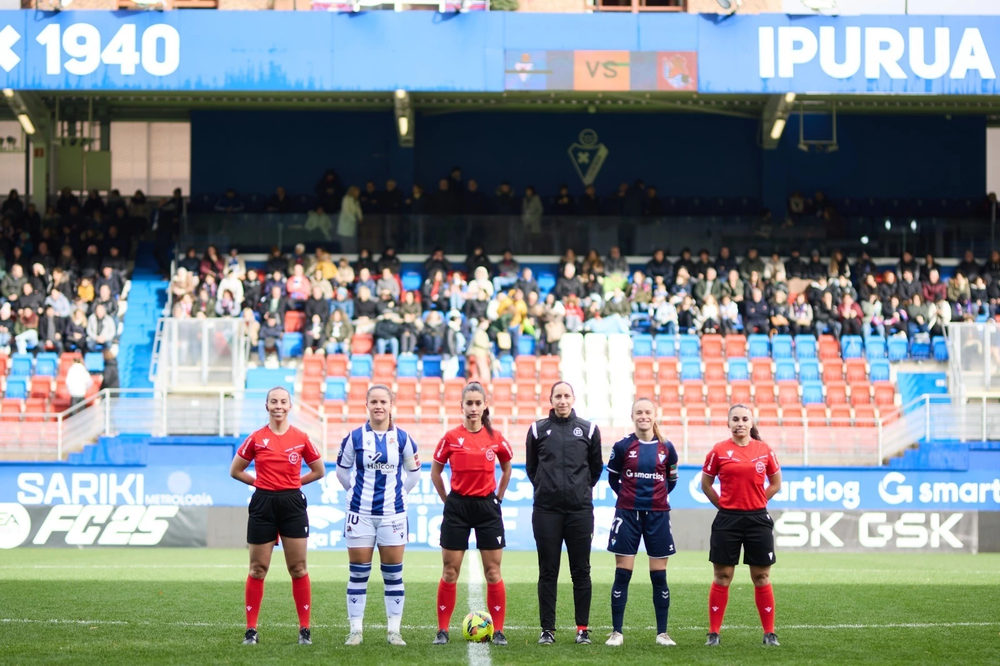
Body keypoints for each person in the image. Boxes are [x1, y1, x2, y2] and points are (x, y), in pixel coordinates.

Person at [229, 387, 326, 646]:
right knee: (258, 569)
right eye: (274, 401)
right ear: (267, 406)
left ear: (290, 406)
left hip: (292, 504)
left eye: (283, 401)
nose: (278, 406)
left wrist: (295, 484)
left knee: (298, 568)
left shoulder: (302, 437)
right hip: (263, 504)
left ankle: (304, 629)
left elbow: (318, 470)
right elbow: (236, 470)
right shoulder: (256, 438)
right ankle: (251, 630)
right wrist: (260, 483)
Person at [336, 385, 422, 647]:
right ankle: (355, 631)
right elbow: (342, 471)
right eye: (373, 401)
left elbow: (414, 473)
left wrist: (398, 494)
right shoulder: (354, 437)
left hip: (392, 515)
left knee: (393, 573)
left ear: (390, 405)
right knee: (358, 574)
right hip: (359, 514)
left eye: (383, 401)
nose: (378, 406)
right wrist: (355, 493)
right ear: (367, 405)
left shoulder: (404, 439)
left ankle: (394, 631)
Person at [430, 382, 513, 646]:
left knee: (493, 571)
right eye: (469, 403)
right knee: (450, 571)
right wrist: (448, 501)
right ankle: (442, 630)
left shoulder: (496, 437)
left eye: (478, 403)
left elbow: (507, 468)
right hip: (458, 508)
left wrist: (497, 498)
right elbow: (435, 472)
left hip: (487, 508)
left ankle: (498, 631)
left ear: (485, 405)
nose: (474, 408)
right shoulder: (451, 438)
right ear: (462, 406)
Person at [524, 382, 603, 645]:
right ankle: (548, 630)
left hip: (580, 510)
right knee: (548, 571)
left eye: (566, 395)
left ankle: (582, 629)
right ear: (550, 399)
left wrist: (580, 489)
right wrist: (547, 489)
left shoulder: (589, 429)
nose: (562, 400)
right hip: (546, 510)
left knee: (581, 571)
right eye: (558, 396)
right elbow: (531, 467)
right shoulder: (537, 429)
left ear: (573, 399)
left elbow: (595, 468)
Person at [701, 404, 783, 647]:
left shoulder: (765, 450)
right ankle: (713, 633)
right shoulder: (718, 451)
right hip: (728, 520)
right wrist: (724, 505)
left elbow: (776, 483)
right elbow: (706, 485)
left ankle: (769, 633)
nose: (740, 423)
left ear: (751, 423)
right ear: (729, 423)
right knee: (723, 575)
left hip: (758, 519)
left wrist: (758, 501)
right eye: (735, 419)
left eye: (744, 419)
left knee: (762, 575)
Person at [604, 397, 680, 647]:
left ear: (654, 415)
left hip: (658, 514)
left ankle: (662, 633)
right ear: (632, 416)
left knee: (659, 576)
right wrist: (630, 498)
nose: (643, 416)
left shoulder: (667, 448)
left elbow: (671, 481)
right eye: (639, 412)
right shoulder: (623, 446)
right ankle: (616, 632)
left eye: (648, 412)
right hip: (628, 513)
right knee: (622, 574)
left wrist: (654, 499)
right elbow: (613, 480)